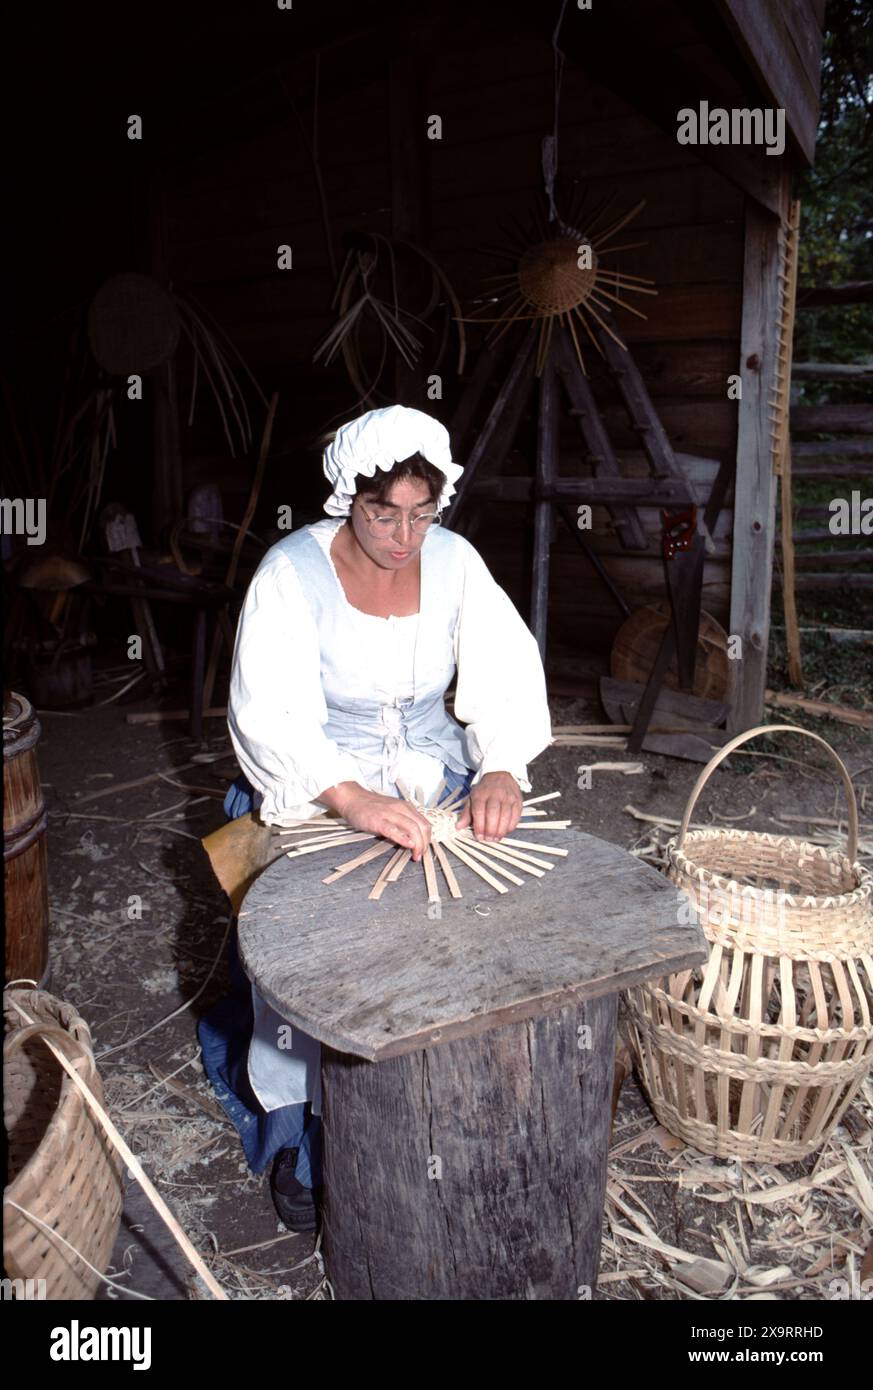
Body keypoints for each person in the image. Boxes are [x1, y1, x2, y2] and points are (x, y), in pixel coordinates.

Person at [199, 404, 552, 1233]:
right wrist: (353, 799)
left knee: (460, 925)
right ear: (345, 499)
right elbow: (269, 715)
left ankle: (447, 1108)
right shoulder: (291, 573)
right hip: (319, 781)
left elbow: (505, 664)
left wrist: (499, 763)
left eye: (421, 515)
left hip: (432, 765)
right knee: (313, 955)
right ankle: (299, 1134)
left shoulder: (456, 563)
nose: (403, 537)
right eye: (382, 513)